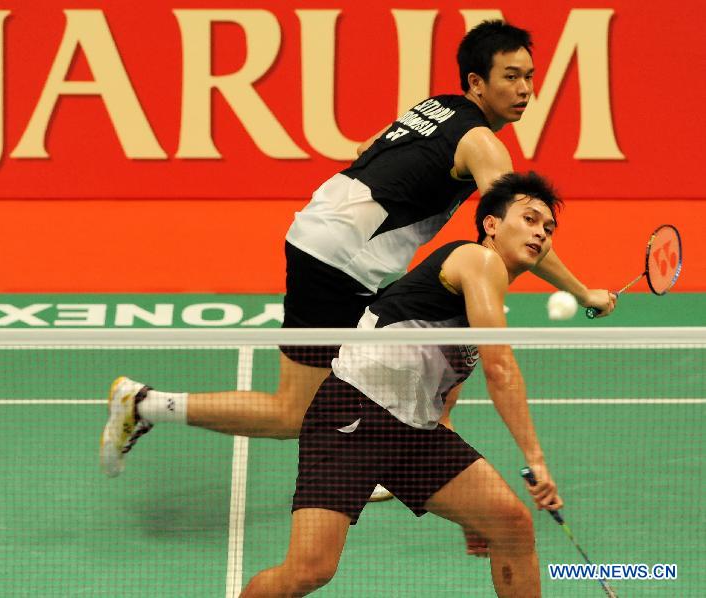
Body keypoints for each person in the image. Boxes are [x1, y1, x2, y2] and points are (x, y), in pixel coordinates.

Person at [99, 20, 616, 483]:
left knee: (396, 357)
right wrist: (581, 289)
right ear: (477, 82)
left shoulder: (435, 107)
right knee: (293, 412)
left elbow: (368, 149)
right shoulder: (482, 142)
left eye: (528, 75)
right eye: (510, 76)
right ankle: (146, 404)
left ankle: (390, 453)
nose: (524, 89)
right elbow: (513, 228)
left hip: (321, 233)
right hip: (341, 260)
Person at [240, 171, 565, 597]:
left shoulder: (475, 301)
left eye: (548, 228)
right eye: (530, 219)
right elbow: (500, 369)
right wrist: (535, 459)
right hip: (353, 415)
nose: (540, 232)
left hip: (413, 434)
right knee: (309, 570)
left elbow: (443, 407)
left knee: (509, 524)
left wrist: (473, 513)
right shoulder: (475, 260)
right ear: (491, 224)